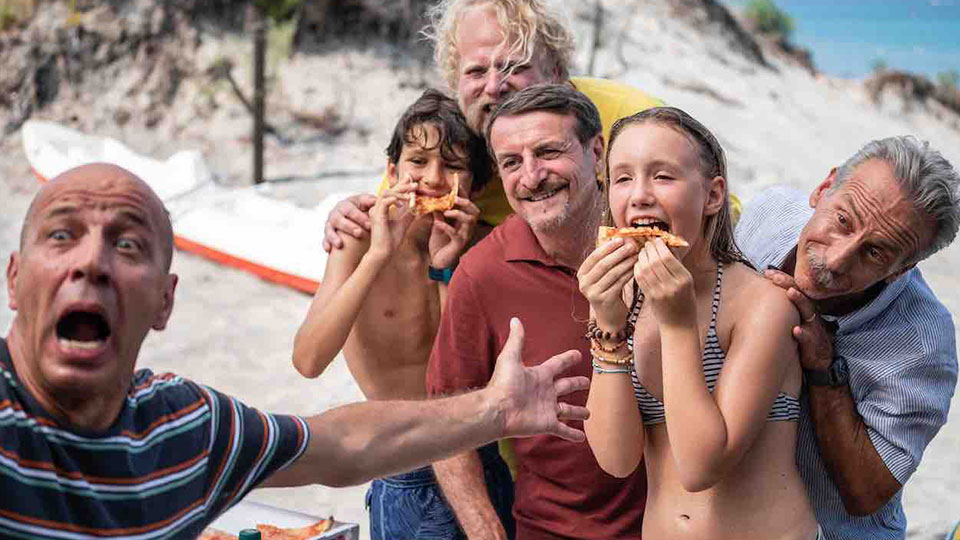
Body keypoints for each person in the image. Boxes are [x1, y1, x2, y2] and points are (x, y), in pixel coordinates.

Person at [0, 162, 592, 539]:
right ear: (15, 278)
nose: (92, 263)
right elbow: (309, 357)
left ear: (164, 301)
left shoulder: (183, 425)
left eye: (128, 246)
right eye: (62, 235)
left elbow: (342, 444)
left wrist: (499, 409)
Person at [580, 106, 819, 539]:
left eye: (663, 176)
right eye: (623, 177)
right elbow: (616, 460)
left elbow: (701, 466)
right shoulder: (626, 298)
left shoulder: (762, 305)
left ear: (712, 196)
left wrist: (676, 326)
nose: (639, 195)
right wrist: (609, 327)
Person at [427, 84, 647, 540]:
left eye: (548, 151)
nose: (531, 177)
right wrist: (487, 531)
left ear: (597, 151)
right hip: (553, 530)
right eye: (511, 162)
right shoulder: (482, 273)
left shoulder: (651, 237)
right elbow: (445, 417)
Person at [292, 89, 514, 539]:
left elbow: (458, 375)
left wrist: (444, 268)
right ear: (392, 171)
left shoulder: (485, 247)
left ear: (474, 186)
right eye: (418, 161)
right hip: (403, 464)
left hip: (482, 461)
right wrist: (377, 256)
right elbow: (309, 360)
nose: (433, 179)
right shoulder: (356, 237)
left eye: (451, 166)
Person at [734, 136, 960, 539]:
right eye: (842, 221)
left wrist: (823, 367)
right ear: (824, 188)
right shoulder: (766, 214)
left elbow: (866, 494)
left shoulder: (924, 345)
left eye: (875, 253)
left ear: (901, 268)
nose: (836, 260)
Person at [321, 0, 664, 248]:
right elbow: (394, 232)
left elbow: (709, 222)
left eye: (515, 68)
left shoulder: (633, 120)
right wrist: (350, 217)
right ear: (455, 82)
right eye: (475, 71)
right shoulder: (445, 141)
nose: (494, 86)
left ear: (558, 73)